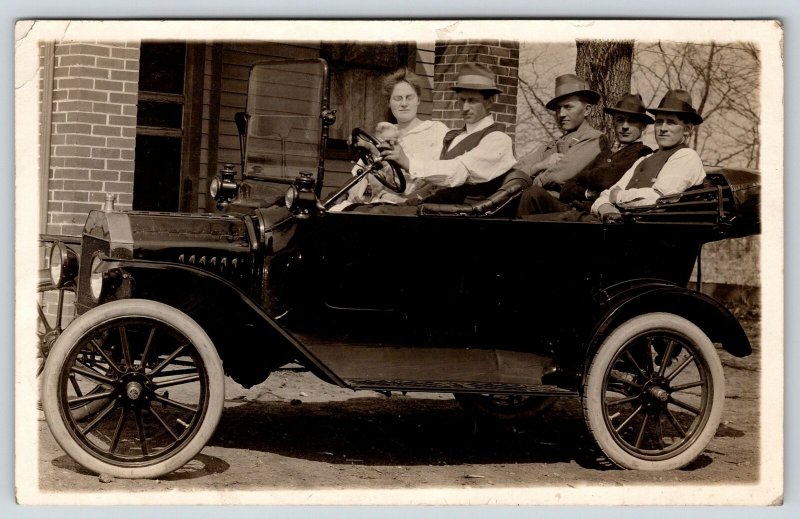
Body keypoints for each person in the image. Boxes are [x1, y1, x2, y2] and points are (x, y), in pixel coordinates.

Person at [378, 62, 518, 204]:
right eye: (462, 100)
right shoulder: (454, 137)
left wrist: (408, 163)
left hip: (460, 217)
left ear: (489, 102)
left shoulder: (498, 140)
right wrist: (405, 201)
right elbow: (434, 185)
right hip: (433, 209)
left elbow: (459, 172)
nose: (465, 107)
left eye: (472, 101)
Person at [516, 94, 654, 216]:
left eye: (632, 121)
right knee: (530, 197)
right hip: (575, 208)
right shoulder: (607, 153)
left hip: (594, 215)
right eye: (620, 120)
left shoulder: (642, 152)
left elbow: (605, 180)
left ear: (643, 126)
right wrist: (585, 190)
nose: (625, 126)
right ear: (613, 122)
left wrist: (580, 181)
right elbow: (567, 188)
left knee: (533, 194)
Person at [338, 68, 450, 208]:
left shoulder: (437, 131)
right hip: (376, 205)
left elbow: (439, 180)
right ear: (389, 102)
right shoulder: (383, 134)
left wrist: (407, 200)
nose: (404, 104)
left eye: (409, 97)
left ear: (419, 100)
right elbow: (363, 173)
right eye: (397, 98)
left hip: (412, 208)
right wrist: (354, 194)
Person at [592, 89, 706, 220]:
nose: (663, 128)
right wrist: (606, 208)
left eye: (670, 122)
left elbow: (660, 199)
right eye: (659, 121)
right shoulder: (645, 158)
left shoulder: (686, 157)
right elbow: (606, 195)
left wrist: (618, 197)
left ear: (687, 130)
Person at [515, 74, 607, 195]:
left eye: (568, 107)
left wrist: (530, 182)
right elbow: (515, 173)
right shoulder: (551, 146)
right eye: (558, 108)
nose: (561, 114)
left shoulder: (594, 139)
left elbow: (559, 176)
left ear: (587, 110)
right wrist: (539, 166)